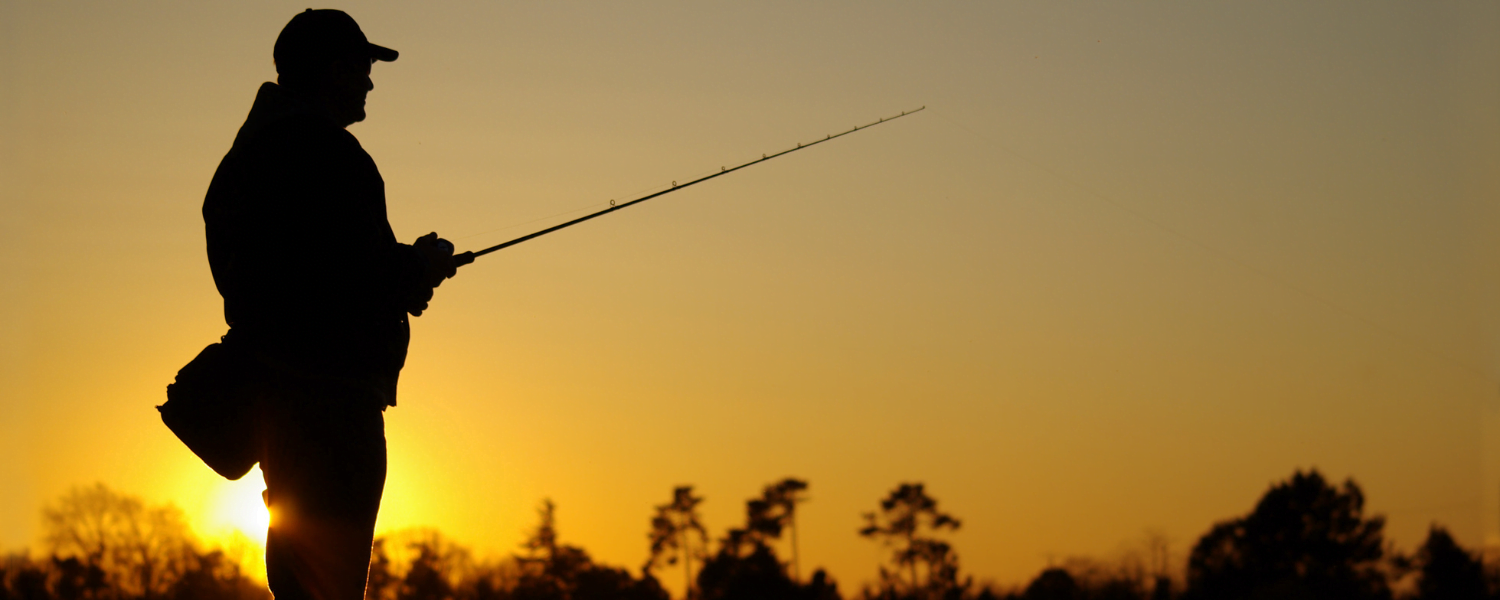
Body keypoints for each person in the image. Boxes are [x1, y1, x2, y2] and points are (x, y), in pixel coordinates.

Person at [201, 10, 457, 600]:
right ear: (332, 70)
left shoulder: (247, 156)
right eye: (362, 68)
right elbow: (352, 278)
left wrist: (401, 270)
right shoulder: (327, 153)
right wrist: (416, 268)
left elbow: (302, 269)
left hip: (278, 406)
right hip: (331, 406)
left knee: (297, 580)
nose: (370, 83)